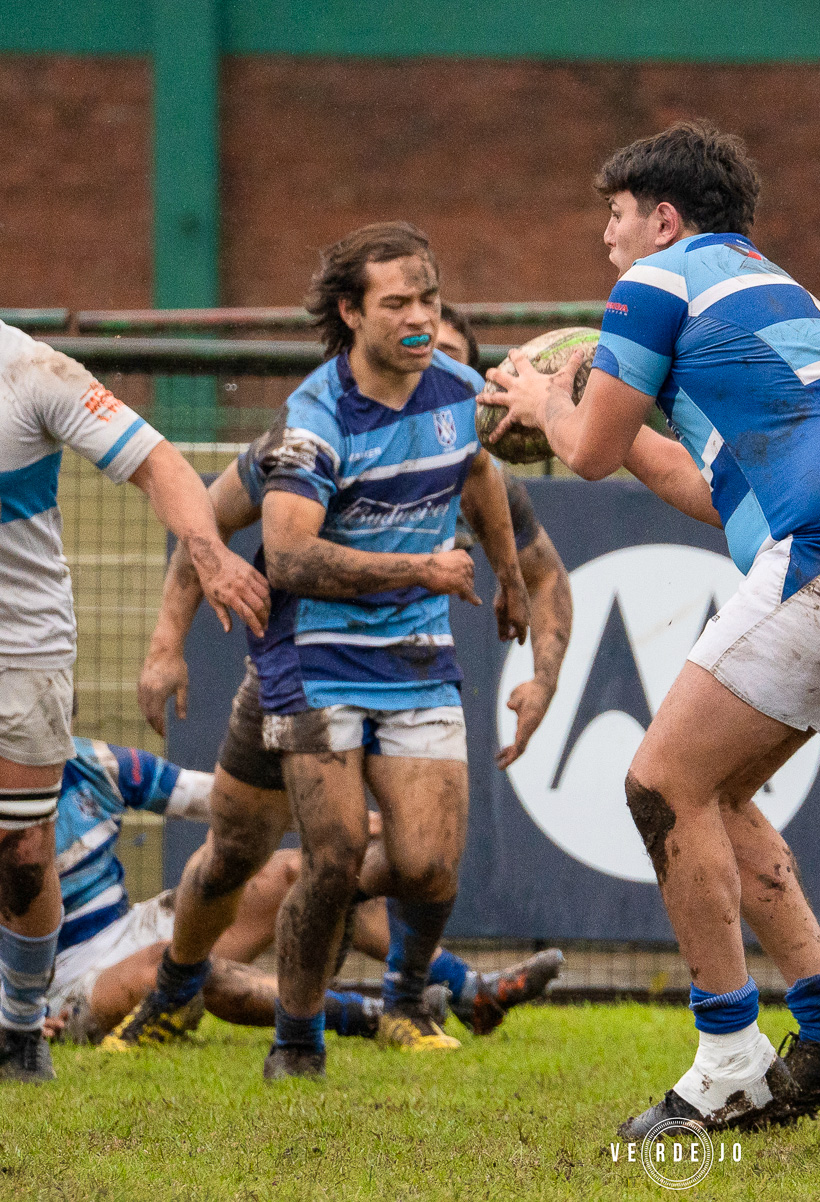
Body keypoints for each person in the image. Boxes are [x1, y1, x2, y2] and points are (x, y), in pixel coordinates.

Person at [483, 121, 820, 1138]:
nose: (607, 241)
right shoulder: (780, 291)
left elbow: (593, 450)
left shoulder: (657, 279)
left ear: (662, 216)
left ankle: (729, 1057)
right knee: (719, 790)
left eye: (614, 216)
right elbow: (707, 486)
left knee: (658, 781)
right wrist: (592, 415)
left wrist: (540, 398)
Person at [0, 193, 267, 1086]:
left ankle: (21, 1024)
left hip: (25, 646)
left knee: (20, 855)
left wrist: (207, 553)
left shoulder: (37, 375)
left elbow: (161, 460)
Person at [111, 338, 572, 1048]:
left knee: (416, 859)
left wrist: (543, 676)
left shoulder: (469, 462)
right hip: (297, 670)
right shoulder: (305, 443)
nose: (416, 376)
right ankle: (176, 993)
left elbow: (545, 575)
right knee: (237, 852)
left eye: (441, 356)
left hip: (407, 671)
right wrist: (166, 642)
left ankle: (402, 999)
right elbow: (208, 521)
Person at [236, 220, 528, 1081]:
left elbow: (477, 471)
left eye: (429, 299)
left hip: (413, 654)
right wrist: (419, 567)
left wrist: (508, 573)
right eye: (396, 302)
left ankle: (406, 994)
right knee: (330, 858)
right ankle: (296, 1039)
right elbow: (288, 556)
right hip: (314, 655)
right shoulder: (314, 418)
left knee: (427, 866)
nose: (420, 319)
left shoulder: (457, 389)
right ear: (350, 313)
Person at [0, 739, 563, 1047]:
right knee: (177, 964)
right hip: (72, 990)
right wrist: (7, 1029)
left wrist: (325, 824)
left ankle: (467, 989)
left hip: (135, 927)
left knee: (311, 870)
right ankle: (376, 1019)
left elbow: (215, 802)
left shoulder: (92, 761)